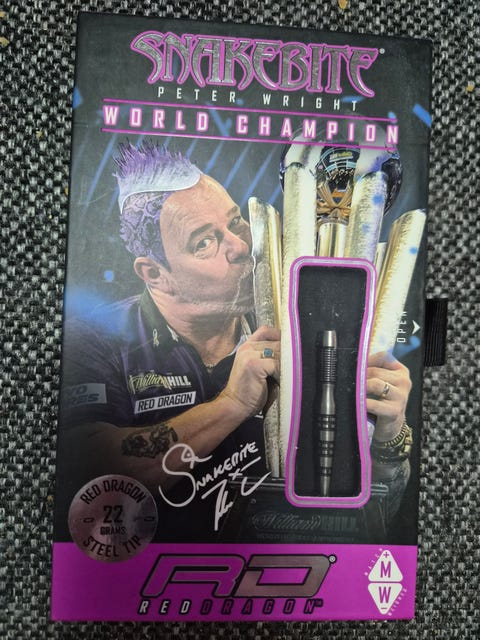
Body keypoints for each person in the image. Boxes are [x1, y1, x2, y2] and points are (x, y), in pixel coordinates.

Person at [59, 142, 412, 540]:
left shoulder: (295, 324)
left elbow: (379, 516)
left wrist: (389, 434)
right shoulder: (96, 337)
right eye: (204, 242)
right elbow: (86, 473)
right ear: (155, 274)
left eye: (235, 221)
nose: (241, 246)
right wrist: (232, 403)